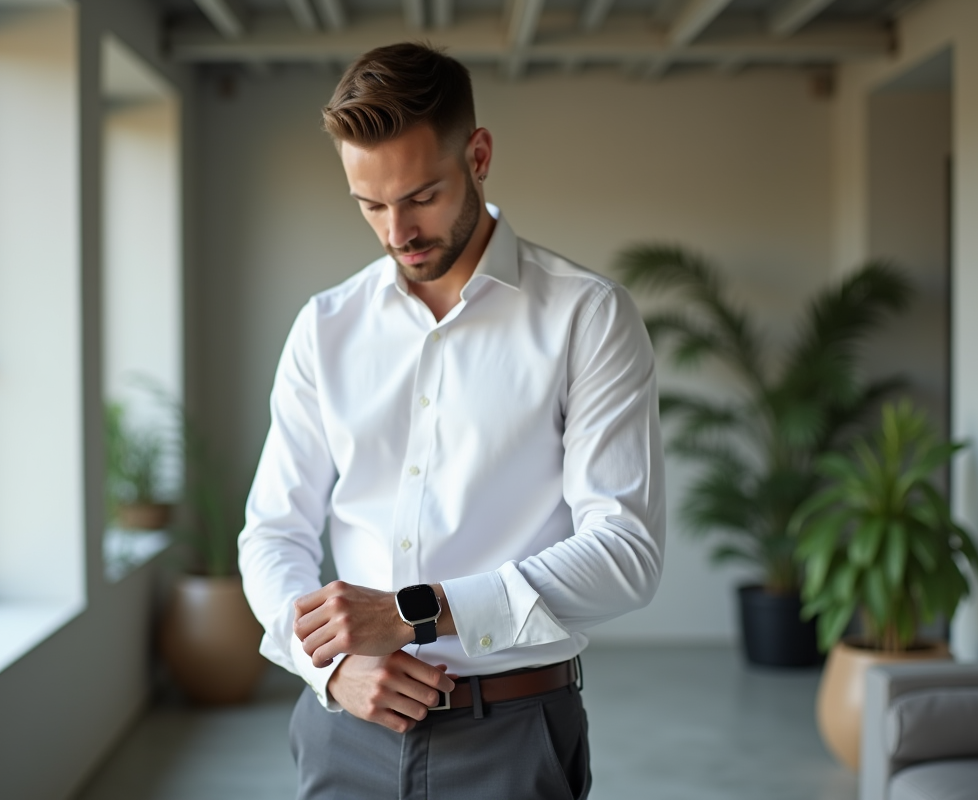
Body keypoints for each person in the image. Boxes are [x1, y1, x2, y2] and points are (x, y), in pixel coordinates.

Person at [238, 41, 665, 800]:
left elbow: (625, 552)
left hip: (511, 734)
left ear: (479, 155)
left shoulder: (586, 317)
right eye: (370, 205)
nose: (397, 231)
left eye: (421, 196)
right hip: (344, 729)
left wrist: (414, 615)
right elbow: (274, 533)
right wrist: (329, 667)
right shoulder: (325, 327)